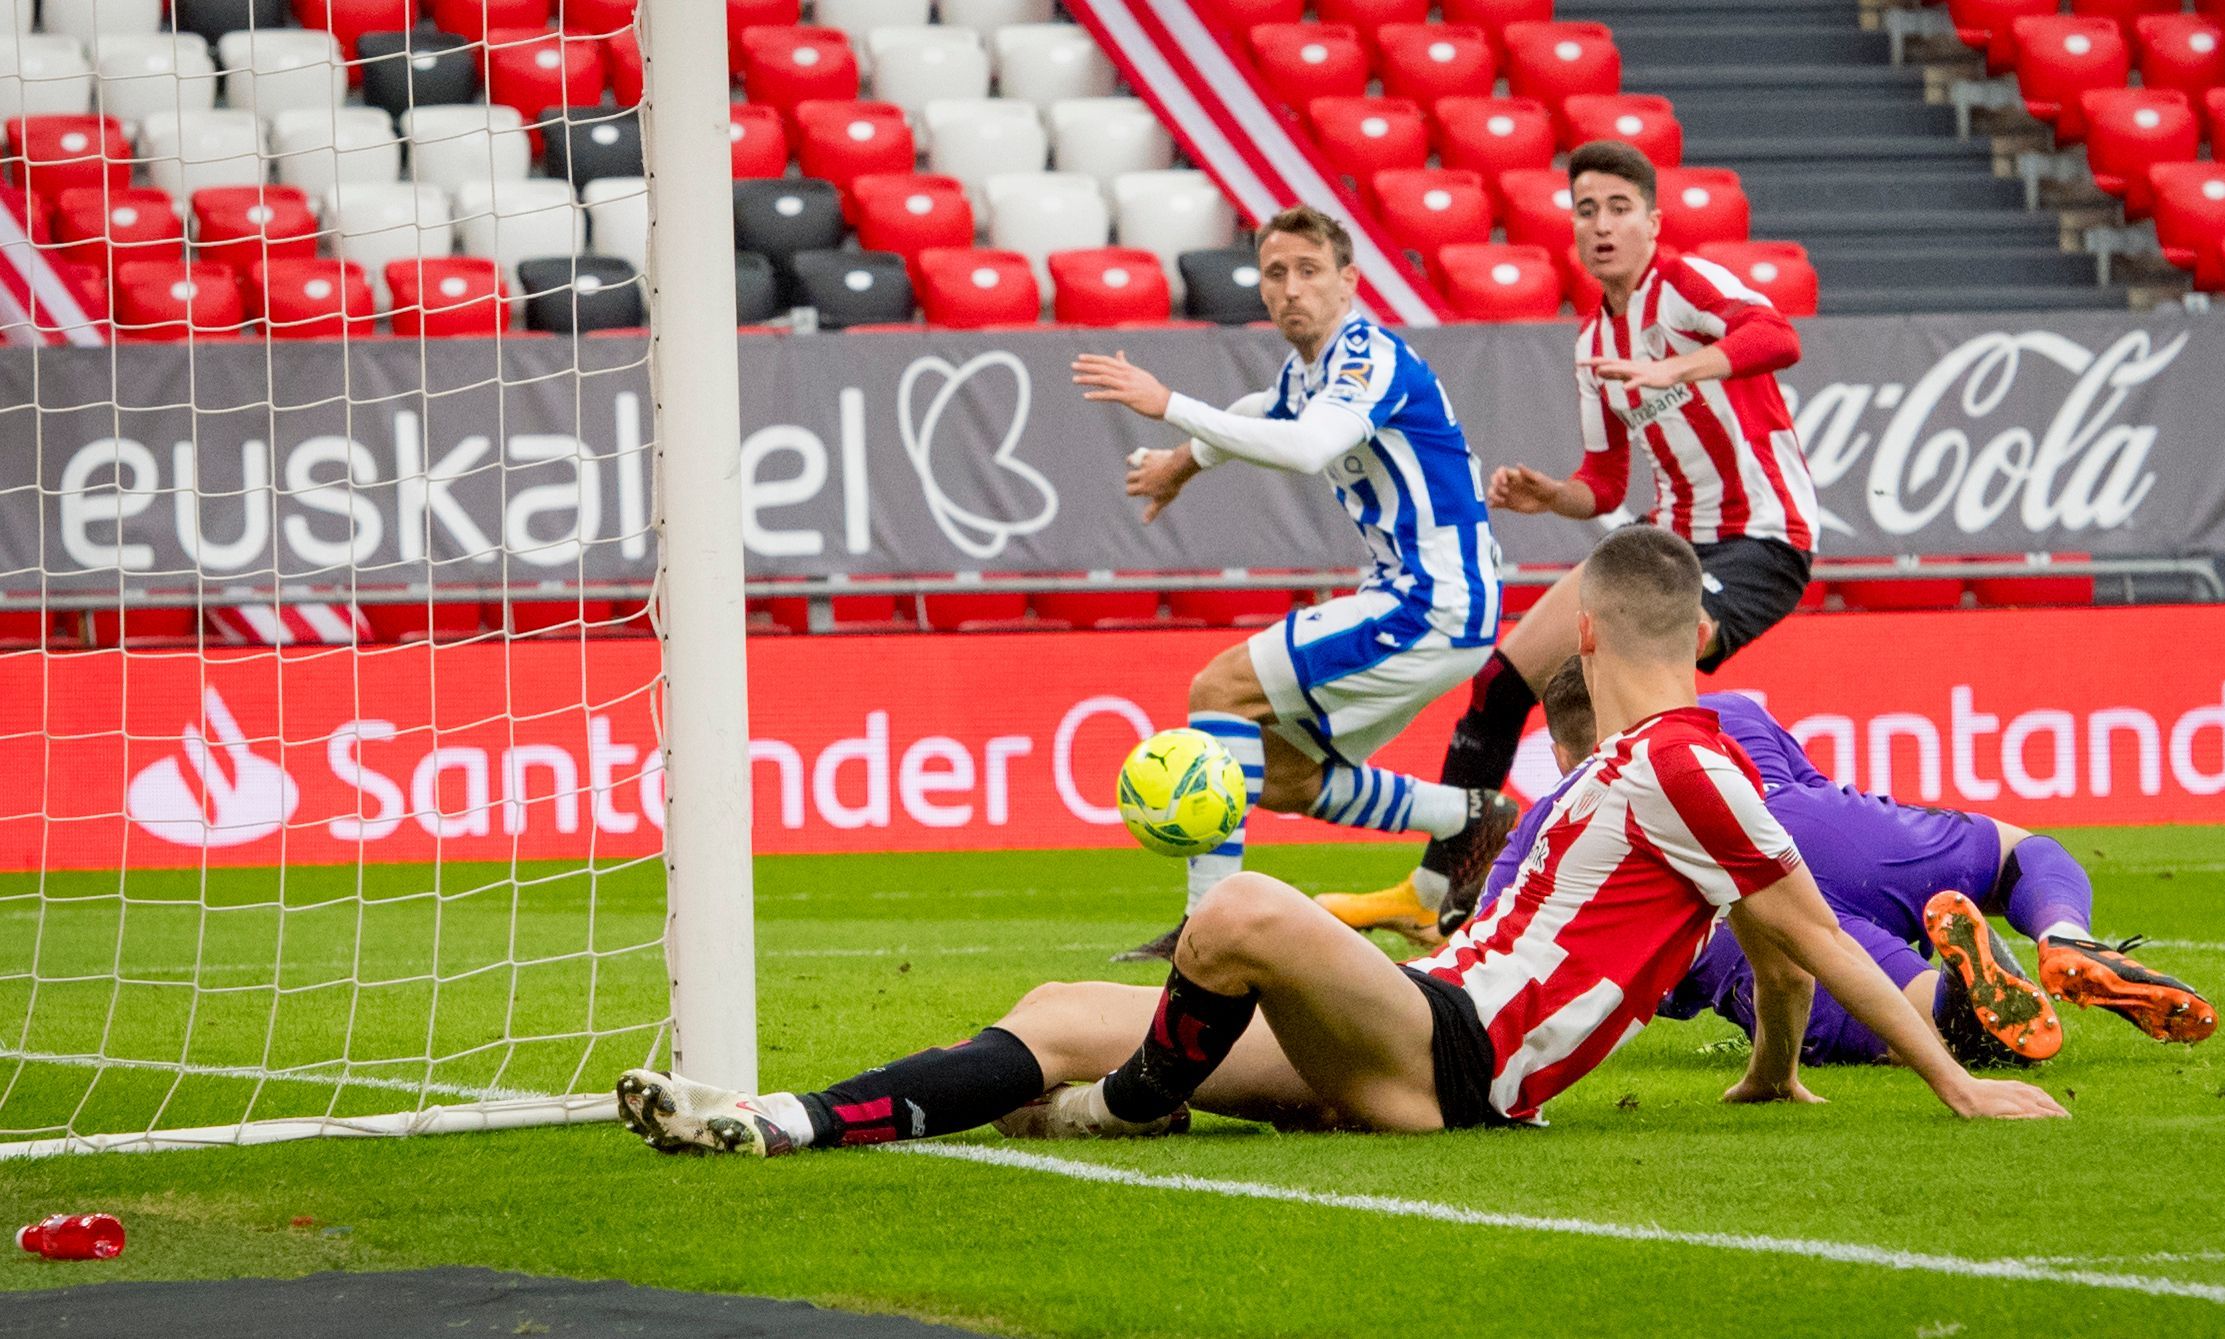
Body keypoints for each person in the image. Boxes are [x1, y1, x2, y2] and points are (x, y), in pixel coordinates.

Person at [614, 528, 2066, 1159]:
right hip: (1415, 1023)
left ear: (1585, 626)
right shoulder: (1633, 766)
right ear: (1694, 627)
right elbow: (1766, 930)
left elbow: (1801, 921)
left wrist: (1952, 1084)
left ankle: (1135, 1107)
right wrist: (1771, 1070)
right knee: (1059, 1010)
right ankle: (782, 1118)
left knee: (1238, 907)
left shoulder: (1689, 754)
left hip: (1463, 1060)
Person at [1325, 139, 1820, 942]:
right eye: (1585, 209)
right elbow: (1605, 481)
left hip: (1760, 541)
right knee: (1499, 687)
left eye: (1618, 208)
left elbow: (1776, 335)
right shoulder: (1593, 343)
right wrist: (1551, 495)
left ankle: (1699, 886)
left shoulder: (1685, 287)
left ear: (1651, 223)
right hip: (1663, 542)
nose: (1601, 225)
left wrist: (1679, 368)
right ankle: (1436, 892)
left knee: (1631, 691)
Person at [1071, 204, 1516, 962]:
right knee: (1281, 774)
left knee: (1218, 692)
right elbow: (1262, 409)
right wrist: (1181, 463)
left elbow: (1310, 446)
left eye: (1309, 271)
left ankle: (1206, 922)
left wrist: (1170, 406)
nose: (1289, 288)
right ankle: (1468, 816)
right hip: (1429, 600)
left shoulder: (1366, 355)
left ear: (1347, 282)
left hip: (1430, 597)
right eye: (1274, 273)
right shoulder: (1307, 368)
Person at [1461, 661, 2220, 1069]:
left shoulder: (1561, 805)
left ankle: (1967, 1001)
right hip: (1833, 831)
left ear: (1561, 750)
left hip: (1740, 920)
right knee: (2023, 852)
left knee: (1935, 1026)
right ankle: (2063, 931)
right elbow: (1803, 777)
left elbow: (1562, 960)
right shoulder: (1725, 709)